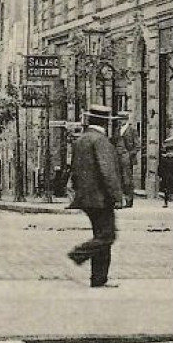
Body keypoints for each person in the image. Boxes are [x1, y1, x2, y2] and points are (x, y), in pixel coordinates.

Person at [68, 104, 123, 288]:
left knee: (101, 235)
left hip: (86, 197)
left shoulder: (81, 140)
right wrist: (116, 195)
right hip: (101, 198)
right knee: (107, 236)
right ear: (105, 123)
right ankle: (79, 253)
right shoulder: (101, 141)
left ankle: (99, 279)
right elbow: (107, 171)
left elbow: (74, 170)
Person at [113, 115, 139, 208]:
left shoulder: (132, 130)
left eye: (122, 119)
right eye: (119, 119)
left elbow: (137, 146)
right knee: (118, 179)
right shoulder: (117, 130)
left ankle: (129, 200)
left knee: (127, 180)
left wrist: (129, 154)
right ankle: (118, 201)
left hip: (126, 158)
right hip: (117, 157)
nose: (120, 121)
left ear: (126, 119)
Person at [158, 137, 173, 208]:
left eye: (171, 152)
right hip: (166, 177)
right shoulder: (164, 160)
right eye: (168, 152)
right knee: (166, 190)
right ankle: (166, 202)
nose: (170, 153)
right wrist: (160, 176)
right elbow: (160, 168)